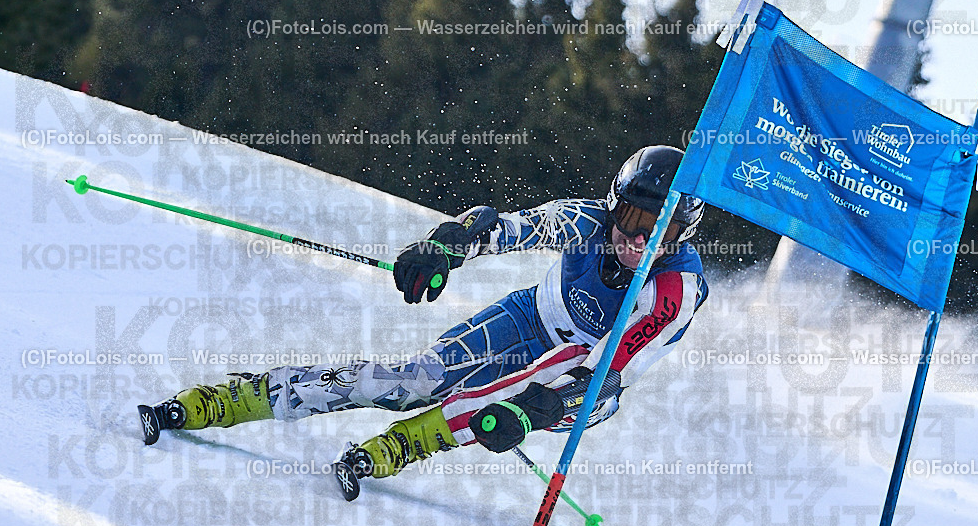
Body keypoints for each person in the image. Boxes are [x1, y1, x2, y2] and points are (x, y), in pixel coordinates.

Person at [137, 145, 709, 500]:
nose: (638, 241)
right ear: (614, 206)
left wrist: (543, 408)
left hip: (584, 384)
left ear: (682, 235)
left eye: (659, 230)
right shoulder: (585, 222)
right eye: (632, 219)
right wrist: (449, 244)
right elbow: (511, 228)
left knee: (488, 403)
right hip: (530, 316)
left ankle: (399, 447)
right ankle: (235, 399)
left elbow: (604, 372)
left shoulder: (674, 292)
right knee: (416, 379)